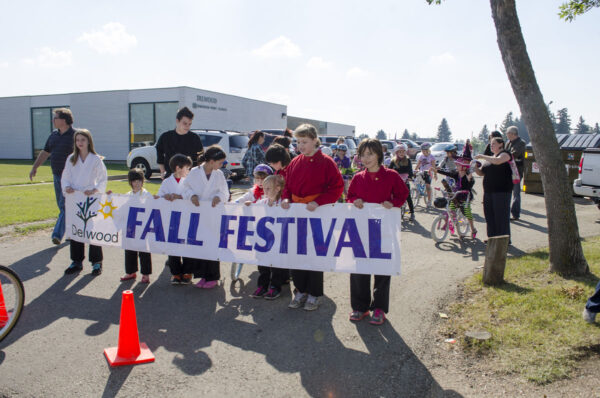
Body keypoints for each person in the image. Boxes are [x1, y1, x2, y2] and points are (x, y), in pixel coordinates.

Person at [281, 124, 344, 311]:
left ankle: (315, 293)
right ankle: (300, 290)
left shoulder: (326, 162)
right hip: (297, 215)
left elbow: (337, 187)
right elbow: (287, 187)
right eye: (298, 142)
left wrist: (319, 202)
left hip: (317, 215)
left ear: (315, 141)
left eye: (305, 142)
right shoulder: (294, 162)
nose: (300, 146)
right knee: (297, 253)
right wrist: (285, 198)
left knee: (315, 255)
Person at [346, 139, 408, 325]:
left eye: (370, 154)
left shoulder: (391, 175)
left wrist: (393, 203)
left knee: (382, 268)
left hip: (383, 229)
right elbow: (349, 197)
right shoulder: (357, 177)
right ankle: (360, 307)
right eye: (363, 154)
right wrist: (354, 200)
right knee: (359, 268)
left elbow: (402, 194)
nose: (366, 158)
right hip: (361, 229)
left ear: (379, 155)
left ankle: (379, 307)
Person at [182, 146, 229, 289]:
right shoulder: (194, 172)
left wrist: (218, 197)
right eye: (220, 162)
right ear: (211, 161)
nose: (221, 165)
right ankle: (203, 276)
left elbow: (225, 192)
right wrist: (192, 196)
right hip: (198, 214)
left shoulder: (219, 174)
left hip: (213, 215)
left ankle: (213, 277)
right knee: (200, 245)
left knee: (212, 245)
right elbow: (185, 188)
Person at [61, 129, 107, 276]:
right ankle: (76, 261)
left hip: (90, 197)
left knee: (92, 229)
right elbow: (65, 177)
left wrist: (95, 190)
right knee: (76, 228)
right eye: (78, 140)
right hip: (75, 197)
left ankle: (96, 262)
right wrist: (67, 187)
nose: (80, 143)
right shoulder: (71, 159)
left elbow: (102, 178)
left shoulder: (95, 159)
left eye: (83, 140)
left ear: (88, 141)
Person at [29, 108, 75, 245]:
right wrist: (35, 167)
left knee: (65, 205)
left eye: (55, 118)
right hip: (56, 175)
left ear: (64, 120)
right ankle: (73, 232)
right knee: (64, 206)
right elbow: (45, 152)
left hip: (71, 178)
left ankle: (57, 234)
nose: (53, 120)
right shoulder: (53, 136)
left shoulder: (75, 136)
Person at [157, 154, 194, 285]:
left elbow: (193, 196)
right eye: (187, 168)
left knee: (186, 246)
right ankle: (176, 273)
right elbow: (159, 196)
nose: (188, 171)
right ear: (178, 168)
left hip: (186, 219)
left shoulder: (189, 181)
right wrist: (165, 196)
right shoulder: (167, 182)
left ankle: (187, 272)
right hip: (171, 220)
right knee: (173, 246)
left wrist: (180, 196)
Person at [250, 174, 289, 300]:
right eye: (264, 188)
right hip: (264, 241)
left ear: (278, 188)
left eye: (268, 188)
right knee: (263, 265)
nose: (265, 191)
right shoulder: (261, 203)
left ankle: (275, 287)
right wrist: (247, 205)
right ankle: (262, 285)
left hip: (279, 241)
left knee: (277, 266)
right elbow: (252, 212)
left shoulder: (284, 204)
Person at [474, 137, 513, 240]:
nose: (491, 145)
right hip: (488, 191)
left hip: (502, 191)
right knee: (489, 216)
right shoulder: (490, 158)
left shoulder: (505, 154)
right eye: (491, 144)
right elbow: (482, 173)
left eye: (494, 144)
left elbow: (497, 161)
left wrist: (482, 156)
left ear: (501, 144)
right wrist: (475, 167)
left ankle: (503, 239)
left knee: (501, 216)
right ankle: (492, 238)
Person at [119, 169, 153, 283]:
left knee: (144, 252)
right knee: (129, 250)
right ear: (130, 182)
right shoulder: (127, 195)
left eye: (139, 180)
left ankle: (146, 274)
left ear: (142, 181)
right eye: (134, 181)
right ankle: (130, 271)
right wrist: (110, 196)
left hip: (143, 228)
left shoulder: (147, 194)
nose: (137, 183)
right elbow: (120, 210)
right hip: (130, 228)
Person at [155, 106, 203, 179]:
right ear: (177, 121)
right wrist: (162, 171)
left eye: (189, 124)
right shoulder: (165, 137)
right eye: (185, 123)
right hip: (170, 177)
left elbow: (200, 159)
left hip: (190, 177)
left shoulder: (195, 138)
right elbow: (159, 154)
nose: (187, 126)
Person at [437, 157, 477, 238]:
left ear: (464, 167)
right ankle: (454, 222)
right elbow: (447, 173)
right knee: (451, 209)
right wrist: (436, 170)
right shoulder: (456, 174)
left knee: (467, 213)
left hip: (465, 196)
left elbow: (470, 185)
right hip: (456, 195)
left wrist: (470, 180)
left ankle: (473, 229)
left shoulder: (468, 176)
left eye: (458, 165)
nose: (456, 166)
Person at [388, 144, 415, 221]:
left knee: (407, 196)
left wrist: (410, 177)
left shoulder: (408, 160)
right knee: (393, 195)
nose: (401, 153)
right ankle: (394, 211)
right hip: (396, 180)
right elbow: (389, 170)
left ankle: (412, 212)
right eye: (399, 152)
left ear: (405, 152)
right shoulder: (393, 161)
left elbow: (410, 170)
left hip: (405, 180)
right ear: (396, 152)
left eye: (403, 151)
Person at [505, 126, 526, 220]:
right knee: (507, 192)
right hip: (507, 170)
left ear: (513, 134)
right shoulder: (508, 143)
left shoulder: (521, 143)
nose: (506, 135)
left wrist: (503, 156)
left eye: (508, 133)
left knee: (516, 193)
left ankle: (515, 214)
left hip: (516, 172)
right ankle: (506, 212)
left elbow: (513, 154)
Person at [414, 142, 438, 207]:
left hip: (428, 173)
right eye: (422, 151)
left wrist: (435, 174)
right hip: (421, 172)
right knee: (416, 182)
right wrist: (415, 170)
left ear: (428, 150)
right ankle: (417, 196)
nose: (424, 152)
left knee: (427, 186)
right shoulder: (421, 156)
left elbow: (433, 166)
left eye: (425, 151)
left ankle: (429, 200)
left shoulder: (431, 157)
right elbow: (418, 164)